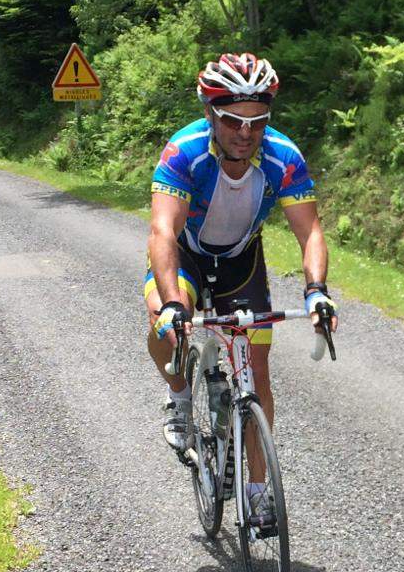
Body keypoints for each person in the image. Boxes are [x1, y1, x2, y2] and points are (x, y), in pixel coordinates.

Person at [144, 52, 337, 512]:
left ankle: (257, 491)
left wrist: (316, 291)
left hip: (240, 261)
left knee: (257, 373)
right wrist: (173, 302)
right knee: (160, 322)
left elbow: (309, 231)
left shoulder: (282, 156)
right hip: (186, 255)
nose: (246, 133)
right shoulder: (184, 151)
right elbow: (162, 231)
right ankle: (178, 396)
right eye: (233, 121)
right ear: (209, 113)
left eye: (258, 121)